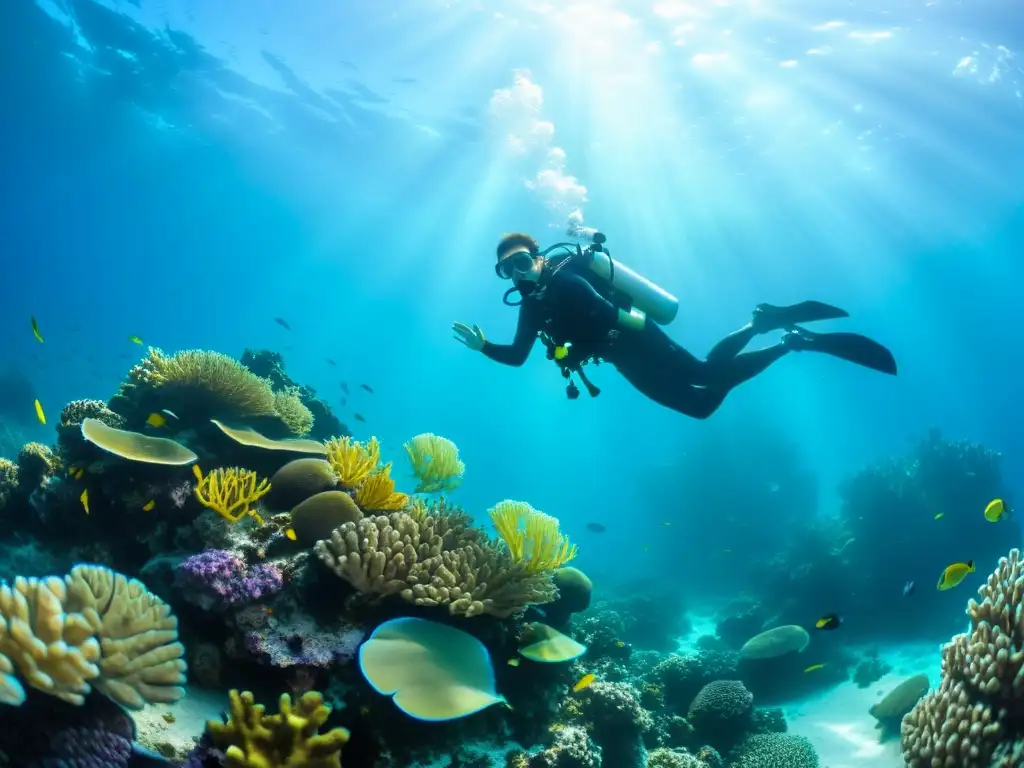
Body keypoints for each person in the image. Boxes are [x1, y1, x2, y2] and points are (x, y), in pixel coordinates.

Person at [452, 231, 897, 419]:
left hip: (635, 337)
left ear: (539, 257)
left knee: (704, 375)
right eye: (507, 271)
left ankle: (786, 340)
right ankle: (764, 325)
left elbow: (601, 311)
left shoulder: (565, 278)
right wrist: (482, 345)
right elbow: (515, 357)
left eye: (522, 262)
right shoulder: (531, 306)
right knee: (700, 405)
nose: (518, 274)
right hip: (620, 357)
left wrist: (574, 330)